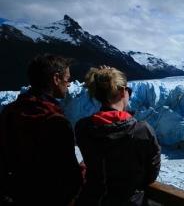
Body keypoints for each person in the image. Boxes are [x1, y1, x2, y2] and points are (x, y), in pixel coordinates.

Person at [0, 54, 83, 205]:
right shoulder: (55, 120)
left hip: (16, 193)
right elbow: (68, 175)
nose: (69, 84)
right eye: (67, 79)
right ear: (56, 79)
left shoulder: (9, 111)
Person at [75, 66, 161, 206]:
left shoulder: (82, 127)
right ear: (122, 92)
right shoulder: (141, 130)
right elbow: (151, 174)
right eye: (129, 90)